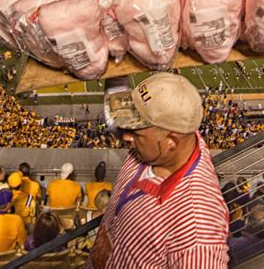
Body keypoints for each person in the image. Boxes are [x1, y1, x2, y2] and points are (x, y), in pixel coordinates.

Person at [88, 73, 229, 268]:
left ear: (172, 141)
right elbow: (116, 118)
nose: (125, 136)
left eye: (135, 131)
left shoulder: (196, 231)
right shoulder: (171, 139)